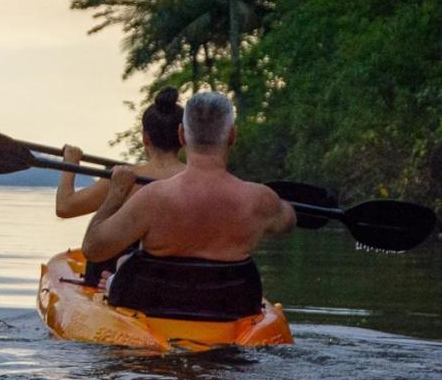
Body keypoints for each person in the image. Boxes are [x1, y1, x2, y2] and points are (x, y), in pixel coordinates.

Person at [81, 90, 296, 267]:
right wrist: (278, 203)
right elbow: (288, 221)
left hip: (160, 306)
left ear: (182, 135)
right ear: (232, 136)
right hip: (227, 307)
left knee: (122, 264)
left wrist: (116, 194)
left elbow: (94, 249)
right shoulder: (260, 200)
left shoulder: (152, 198)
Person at [55, 87, 185, 219]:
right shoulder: (199, 179)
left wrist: (70, 164)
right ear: (183, 137)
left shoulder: (123, 179)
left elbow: (64, 207)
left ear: (145, 138)